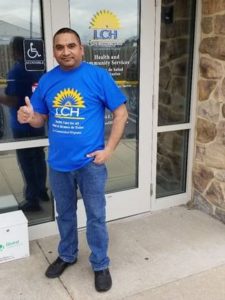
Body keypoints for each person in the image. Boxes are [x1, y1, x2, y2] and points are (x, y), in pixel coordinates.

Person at [17, 27, 128, 292]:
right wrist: (28, 117)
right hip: (58, 164)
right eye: (59, 47)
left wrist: (109, 150)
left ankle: (100, 263)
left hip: (91, 164)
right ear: (54, 51)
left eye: (71, 46)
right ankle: (67, 254)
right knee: (64, 214)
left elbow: (121, 113)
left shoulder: (98, 76)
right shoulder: (47, 81)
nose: (65, 51)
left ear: (81, 49)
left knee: (96, 217)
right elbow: (40, 118)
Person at [0, 36, 49, 212]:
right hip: (38, 122)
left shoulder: (17, 71)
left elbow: (14, 101)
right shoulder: (39, 69)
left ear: (16, 51)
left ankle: (32, 199)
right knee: (38, 157)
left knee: (27, 161)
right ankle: (42, 191)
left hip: (23, 125)